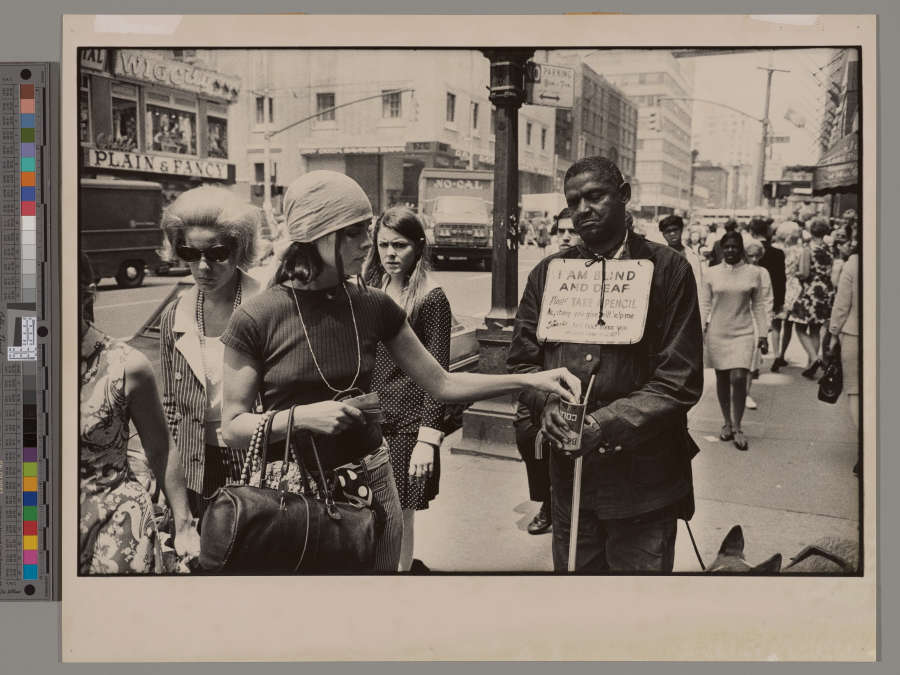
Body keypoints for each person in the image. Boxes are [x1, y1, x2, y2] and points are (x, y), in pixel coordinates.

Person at [220, 170, 580, 572]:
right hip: (292, 490)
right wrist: (302, 418)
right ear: (320, 235)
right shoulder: (257, 316)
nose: (366, 244)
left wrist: (530, 379)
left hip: (372, 479)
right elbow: (232, 428)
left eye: (366, 230)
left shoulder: (373, 305)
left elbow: (442, 382)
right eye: (355, 232)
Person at [508, 156, 703, 573]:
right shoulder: (548, 274)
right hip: (571, 487)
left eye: (595, 196)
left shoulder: (669, 271)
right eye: (573, 201)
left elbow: (679, 380)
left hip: (645, 486)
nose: (583, 209)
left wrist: (604, 425)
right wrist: (546, 405)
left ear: (624, 195)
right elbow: (523, 363)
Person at [79, 253, 199, 574]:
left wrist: (184, 524)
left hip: (114, 521)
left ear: (83, 297)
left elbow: (160, 447)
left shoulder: (125, 365)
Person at [159, 186, 263, 521]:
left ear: (239, 249)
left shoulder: (267, 306)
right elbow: (172, 408)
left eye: (217, 254)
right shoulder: (175, 314)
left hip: (256, 461)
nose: (203, 267)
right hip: (194, 464)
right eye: (190, 253)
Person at [364, 206, 451, 572]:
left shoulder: (431, 298)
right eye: (383, 245)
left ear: (418, 246)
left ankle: (400, 577)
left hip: (408, 426)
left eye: (399, 245)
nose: (390, 254)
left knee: (401, 513)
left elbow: (439, 373)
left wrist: (427, 441)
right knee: (367, 508)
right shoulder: (370, 289)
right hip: (369, 418)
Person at [700, 231, 770, 451]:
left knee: (739, 377)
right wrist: (699, 330)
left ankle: (739, 426)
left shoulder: (753, 273)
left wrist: (763, 333)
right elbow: (704, 304)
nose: (730, 250)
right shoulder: (711, 273)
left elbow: (759, 305)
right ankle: (727, 423)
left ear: (741, 249)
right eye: (727, 247)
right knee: (722, 377)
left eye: (734, 247)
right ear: (721, 249)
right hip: (718, 332)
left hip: (743, 333)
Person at [827, 242, 860, 476]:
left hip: (855, 334)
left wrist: (833, 333)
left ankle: (866, 449)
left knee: (856, 393)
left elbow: (842, 304)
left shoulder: (854, 263)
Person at [788, 217, 835, 380]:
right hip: (825, 291)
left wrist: (795, 272)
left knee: (799, 327)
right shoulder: (829, 249)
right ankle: (811, 364)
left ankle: (815, 359)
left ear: (810, 231)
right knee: (815, 329)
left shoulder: (808, 249)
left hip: (810, 291)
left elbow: (805, 273)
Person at [742, 239, 774, 410]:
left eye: (757, 256)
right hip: (737, 319)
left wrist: (766, 324)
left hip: (755, 320)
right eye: (750, 256)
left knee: (751, 360)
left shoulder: (764, 273)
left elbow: (768, 299)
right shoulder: (740, 271)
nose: (754, 259)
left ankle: (745, 394)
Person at [749, 218, 786, 364]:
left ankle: (757, 353)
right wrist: (781, 300)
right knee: (774, 324)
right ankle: (775, 354)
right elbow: (781, 278)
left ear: (752, 232)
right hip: (773, 293)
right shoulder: (778, 253)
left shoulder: (748, 250)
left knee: (754, 323)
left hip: (752, 293)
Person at [770, 221, 802, 373]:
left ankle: (775, 354)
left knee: (776, 323)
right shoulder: (800, 250)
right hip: (794, 287)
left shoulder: (775, 249)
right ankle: (782, 354)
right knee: (788, 324)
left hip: (778, 285)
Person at [659, 214, 704, 291]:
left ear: (681, 230)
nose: (672, 234)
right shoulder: (660, 257)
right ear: (663, 234)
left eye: (675, 230)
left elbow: (698, 283)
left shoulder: (692, 256)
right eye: (668, 231)